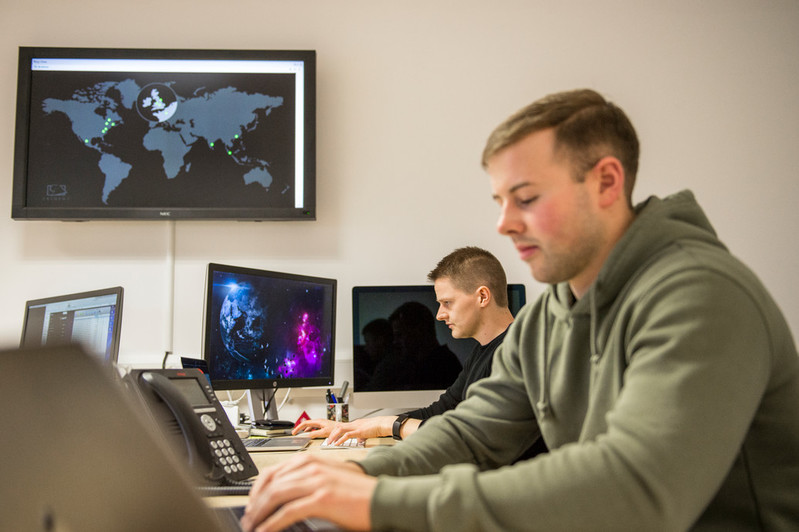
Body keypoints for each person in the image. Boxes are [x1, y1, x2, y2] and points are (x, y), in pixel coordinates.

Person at [241, 89, 799, 532]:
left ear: (607, 181)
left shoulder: (699, 296)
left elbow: (638, 492)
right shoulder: (552, 312)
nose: (504, 223)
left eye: (526, 198)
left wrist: (380, 501)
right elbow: (470, 433)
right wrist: (356, 474)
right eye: (500, 201)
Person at [294, 246, 539, 447]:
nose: (440, 315)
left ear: (482, 297)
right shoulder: (485, 350)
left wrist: (385, 426)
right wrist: (352, 426)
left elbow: (469, 436)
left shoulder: (519, 354)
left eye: (447, 303)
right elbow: (441, 412)